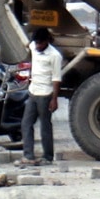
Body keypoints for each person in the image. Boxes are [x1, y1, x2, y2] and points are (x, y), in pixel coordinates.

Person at [18, 27, 63, 167]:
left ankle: (48, 156)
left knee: (45, 126)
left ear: (47, 41)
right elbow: (27, 46)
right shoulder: (33, 46)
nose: (37, 46)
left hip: (45, 94)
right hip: (33, 92)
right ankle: (28, 155)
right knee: (26, 123)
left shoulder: (55, 56)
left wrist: (54, 99)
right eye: (36, 43)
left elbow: (56, 79)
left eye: (40, 43)